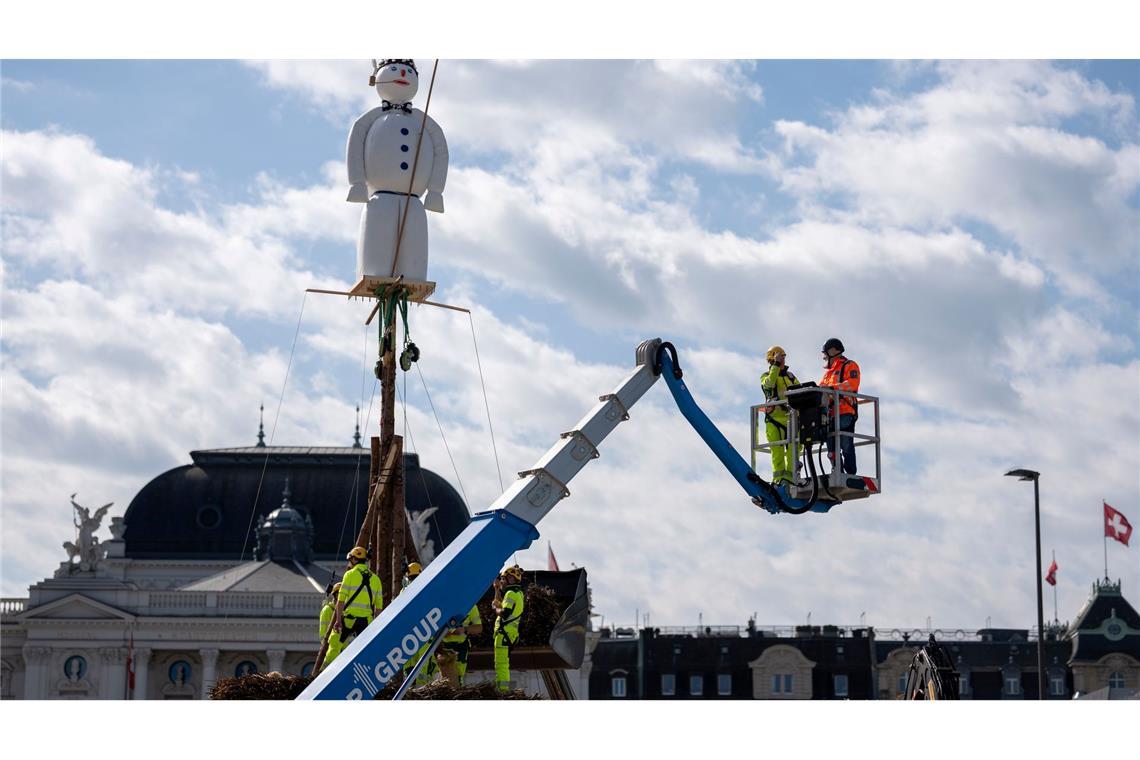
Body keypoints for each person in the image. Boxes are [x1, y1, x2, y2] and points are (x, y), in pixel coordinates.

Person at [819, 338, 860, 475]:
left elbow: (852, 384)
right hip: (831, 414)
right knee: (831, 445)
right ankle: (837, 471)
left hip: (846, 411)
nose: (824, 356)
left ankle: (850, 473)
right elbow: (820, 389)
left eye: (825, 352)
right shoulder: (829, 372)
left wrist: (832, 389)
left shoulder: (850, 365)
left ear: (833, 351)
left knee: (846, 444)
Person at [760, 345, 800, 485]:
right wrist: (775, 366)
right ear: (772, 359)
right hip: (774, 419)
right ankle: (779, 481)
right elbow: (769, 385)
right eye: (779, 357)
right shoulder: (765, 376)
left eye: (783, 357)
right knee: (777, 452)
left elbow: (800, 391)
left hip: (792, 418)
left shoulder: (790, 376)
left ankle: (791, 479)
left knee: (793, 451)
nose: (782, 359)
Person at [333, 546, 383, 647]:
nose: (350, 563)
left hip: (349, 619)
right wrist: (376, 626)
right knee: (365, 649)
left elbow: (341, 600)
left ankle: (330, 663)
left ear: (355, 559)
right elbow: (378, 608)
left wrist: (338, 620)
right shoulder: (376, 579)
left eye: (351, 560)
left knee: (335, 646)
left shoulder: (349, 575)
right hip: (366, 621)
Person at [401, 562, 437, 686]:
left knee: (409, 664)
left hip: (408, 635)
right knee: (424, 664)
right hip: (425, 634)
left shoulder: (404, 591)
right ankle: (421, 689)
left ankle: (409, 690)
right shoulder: (429, 591)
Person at [492, 564, 525, 692]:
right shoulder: (517, 593)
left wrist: (495, 609)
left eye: (504, 579)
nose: (502, 581)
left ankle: (503, 691)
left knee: (501, 665)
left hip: (504, 635)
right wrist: (496, 590)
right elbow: (502, 603)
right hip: (510, 635)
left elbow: (505, 612)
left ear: (511, 579)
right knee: (503, 664)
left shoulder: (511, 593)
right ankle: (503, 689)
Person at [436, 603, 483, 687]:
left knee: (458, 676)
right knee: (444, 678)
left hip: (461, 648)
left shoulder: (471, 606)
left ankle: (456, 693)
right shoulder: (443, 604)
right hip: (443, 647)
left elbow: (479, 627)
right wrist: (441, 632)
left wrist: (464, 629)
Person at [319, 582, 344, 667]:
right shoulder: (327, 610)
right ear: (337, 595)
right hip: (331, 653)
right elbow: (323, 635)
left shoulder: (343, 611)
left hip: (342, 652)